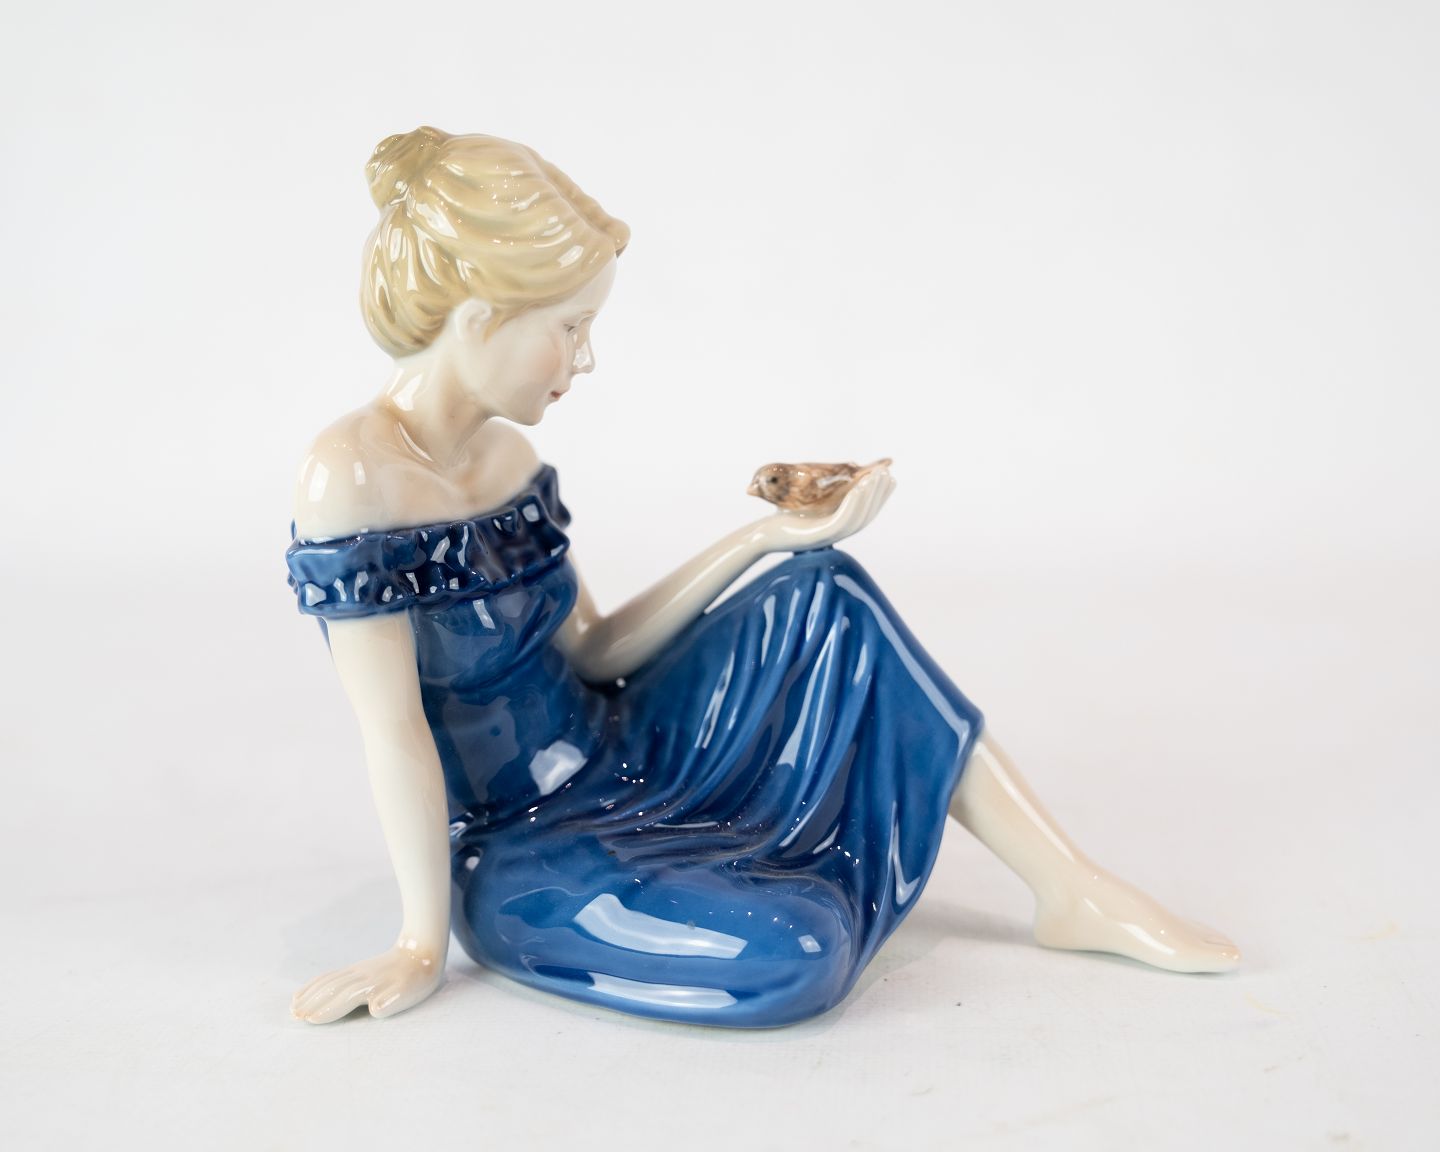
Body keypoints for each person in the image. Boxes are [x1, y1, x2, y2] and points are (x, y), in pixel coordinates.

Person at [285, 127, 1239, 1027]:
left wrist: (765, 540)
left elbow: (597, 651)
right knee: (798, 952)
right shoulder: (353, 478)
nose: (587, 358)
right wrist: (420, 942)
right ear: (481, 320)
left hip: (625, 748)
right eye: (570, 328)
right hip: (522, 838)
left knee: (828, 586)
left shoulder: (503, 458)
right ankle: (750, 870)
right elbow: (394, 734)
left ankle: (1071, 886)